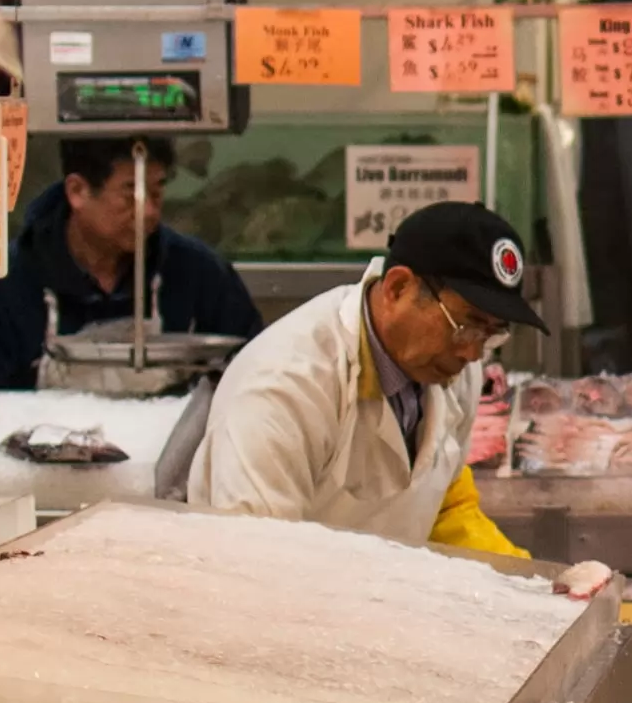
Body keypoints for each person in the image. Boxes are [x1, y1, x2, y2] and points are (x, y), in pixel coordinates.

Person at [188, 198, 534, 555]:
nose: (473, 353)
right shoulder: (284, 388)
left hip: (380, 601)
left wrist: (529, 583)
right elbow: (255, 561)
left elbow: (444, 507)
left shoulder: (453, 367)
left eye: (492, 333)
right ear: (397, 288)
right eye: (466, 325)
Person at [0, 132, 261, 387]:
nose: (149, 211)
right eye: (130, 193)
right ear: (77, 191)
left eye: (157, 192)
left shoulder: (200, 274)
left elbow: (253, 373)